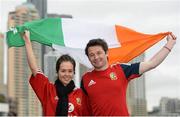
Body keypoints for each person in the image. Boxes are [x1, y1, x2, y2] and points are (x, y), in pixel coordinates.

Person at [81, 33, 176, 116]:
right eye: (92, 55)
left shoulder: (121, 69)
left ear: (106, 53)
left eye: (99, 53)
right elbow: (85, 110)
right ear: (88, 58)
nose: (96, 57)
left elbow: (151, 64)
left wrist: (169, 44)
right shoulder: (85, 79)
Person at [22, 31, 89, 116]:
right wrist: (27, 42)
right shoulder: (48, 90)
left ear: (74, 72)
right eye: (63, 71)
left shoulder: (81, 94)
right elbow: (34, 69)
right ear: (57, 72)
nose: (66, 74)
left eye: (70, 71)